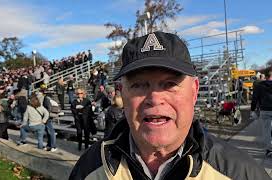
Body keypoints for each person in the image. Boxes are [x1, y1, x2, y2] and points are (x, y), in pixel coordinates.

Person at [69, 32, 270, 179]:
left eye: (170, 84)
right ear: (121, 92)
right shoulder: (89, 168)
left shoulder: (242, 173)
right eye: (139, 85)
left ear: (194, 91)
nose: (155, 99)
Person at [251, 69, 272, 157]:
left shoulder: (259, 86)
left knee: (267, 131)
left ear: (265, 76)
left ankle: (269, 149)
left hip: (265, 110)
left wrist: (252, 110)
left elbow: (254, 98)